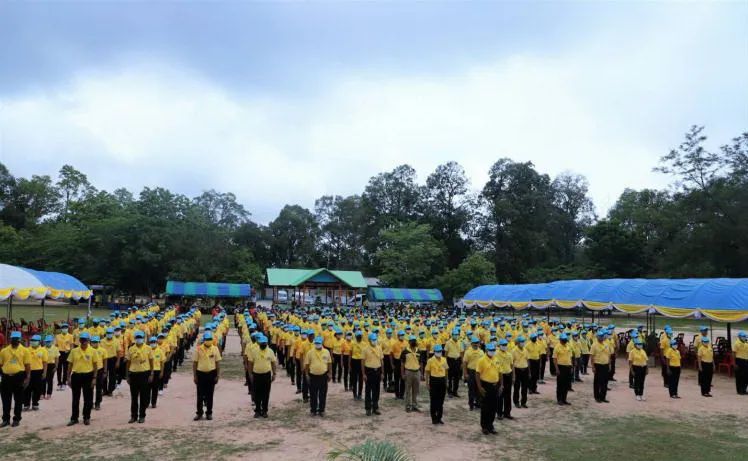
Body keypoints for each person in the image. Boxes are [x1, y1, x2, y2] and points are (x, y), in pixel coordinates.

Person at [67, 331, 99, 426]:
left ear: (88, 340)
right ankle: (74, 418)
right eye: (81, 340)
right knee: (75, 398)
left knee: (88, 399)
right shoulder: (74, 351)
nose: (83, 341)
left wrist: (94, 378)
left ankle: (86, 417)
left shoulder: (93, 351)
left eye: (85, 340)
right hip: (76, 376)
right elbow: (70, 364)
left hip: (88, 376)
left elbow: (95, 366)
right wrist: (68, 377)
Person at [0, 331, 31, 427]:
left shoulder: (25, 350)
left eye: (16, 339)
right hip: (6, 378)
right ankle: (5, 419)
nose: (14, 340)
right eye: (13, 339)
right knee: (5, 400)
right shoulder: (4, 351)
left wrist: (27, 377)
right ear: (10, 339)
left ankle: (17, 419)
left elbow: (27, 365)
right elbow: (0, 364)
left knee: (18, 399)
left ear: (19, 340)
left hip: (19, 376)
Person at [193, 331, 222, 421]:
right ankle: (199, 413)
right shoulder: (198, 349)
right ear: (204, 340)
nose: (208, 341)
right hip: (200, 374)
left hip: (211, 373)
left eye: (210, 339)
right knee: (200, 395)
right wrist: (195, 376)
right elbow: (195, 363)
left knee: (210, 395)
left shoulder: (215, 349)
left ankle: (209, 413)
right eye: (207, 339)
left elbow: (217, 363)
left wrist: (217, 375)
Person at [126, 330, 153, 423]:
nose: (139, 339)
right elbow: (128, 362)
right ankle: (133, 416)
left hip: (144, 374)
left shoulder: (148, 348)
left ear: (143, 338)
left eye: (140, 337)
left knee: (143, 396)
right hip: (133, 374)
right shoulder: (131, 349)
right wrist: (127, 375)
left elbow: (151, 361)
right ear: (135, 338)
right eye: (137, 337)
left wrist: (151, 374)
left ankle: (142, 416)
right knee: (134, 397)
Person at [475, 343, 501, 435]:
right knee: (485, 407)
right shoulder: (481, 360)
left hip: (495, 385)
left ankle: (491, 425)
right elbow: (477, 374)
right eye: (491, 350)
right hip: (486, 385)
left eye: (494, 350)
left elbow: (500, 372)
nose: (492, 352)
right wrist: (480, 387)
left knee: (493, 407)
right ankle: (484, 426)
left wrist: (500, 385)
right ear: (486, 351)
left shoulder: (497, 359)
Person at [248, 334, 276, 418]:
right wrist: (250, 374)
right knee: (257, 393)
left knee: (266, 394)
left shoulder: (270, 351)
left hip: (266, 375)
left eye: (265, 343)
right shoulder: (254, 351)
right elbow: (250, 363)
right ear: (259, 343)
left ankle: (264, 411)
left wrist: (274, 373)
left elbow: (273, 363)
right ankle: (257, 410)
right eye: (262, 343)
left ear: (267, 343)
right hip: (256, 375)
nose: (263, 344)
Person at [305, 336, 331, 416]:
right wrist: (307, 375)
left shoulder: (326, 352)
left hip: (323, 376)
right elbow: (307, 364)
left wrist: (330, 373)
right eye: (316, 343)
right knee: (313, 394)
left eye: (319, 343)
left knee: (322, 394)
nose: (317, 344)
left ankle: (321, 410)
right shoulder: (310, 352)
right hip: (313, 376)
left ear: (322, 343)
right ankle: (313, 410)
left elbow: (329, 363)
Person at [23, 334, 48, 411]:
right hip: (28, 371)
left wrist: (44, 372)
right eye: (32, 341)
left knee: (37, 389)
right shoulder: (26, 350)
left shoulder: (43, 350)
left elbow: (45, 362)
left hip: (38, 371)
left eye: (35, 341)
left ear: (39, 342)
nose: (33, 342)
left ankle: (35, 403)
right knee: (27, 388)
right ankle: (26, 404)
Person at [424, 344, 448, 424]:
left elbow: (446, 371)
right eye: (437, 351)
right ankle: (434, 418)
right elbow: (427, 372)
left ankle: (439, 417)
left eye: (440, 351)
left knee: (441, 401)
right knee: (433, 400)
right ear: (434, 352)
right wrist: (427, 383)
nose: (439, 352)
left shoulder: (444, 360)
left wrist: (446, 381)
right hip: (434, 381)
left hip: (442, 381)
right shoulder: (430, 360)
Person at [362, 332, 383, 416]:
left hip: (377, 370)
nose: (374, 341)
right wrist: (364, 374)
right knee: (368, 390)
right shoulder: (365, 349)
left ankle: (375, 407)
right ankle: (368, 408)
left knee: (376, 390)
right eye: (373, 340)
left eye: (375, 339)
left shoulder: (379, 348)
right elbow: (362, 362)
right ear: (369, 340)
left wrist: (382, 372)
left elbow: (382, 361)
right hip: (369, 371)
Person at [462, 336, 484, 411]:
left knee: (479, 388)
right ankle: (471, 404)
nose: (476, 344)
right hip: (471, 372)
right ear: (471, 344)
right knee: (471, 389)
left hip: (479, 372)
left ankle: (478, 403)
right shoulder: (468, 352)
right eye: (474, 343)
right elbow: (465, 363)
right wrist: (465, 374)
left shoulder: (481, 352)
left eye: (477, 343)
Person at [401, 335, 421, 412]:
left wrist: (421, 373)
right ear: (409, 342)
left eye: (414, 340)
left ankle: (414, 405)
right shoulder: (405, 351)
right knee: (408, 390)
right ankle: (408, 406)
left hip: (417, 372)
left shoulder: (419, 351)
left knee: (416, 390)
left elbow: (421, 362)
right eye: (412, 341)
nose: (413, 342)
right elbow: (402, 364)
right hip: (408, 372)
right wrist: (402, 374)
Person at [495, 339, 514, 419]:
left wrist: (513, 376)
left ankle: (507, 412)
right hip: (500, 376)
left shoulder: (509, 354)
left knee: (508, 395)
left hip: (508, 375)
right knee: (500, 395)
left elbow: (512, 365)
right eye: (503, 345)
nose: (504, 346)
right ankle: (499, 413)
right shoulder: (496, 354)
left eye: (506, 345)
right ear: (499, 346)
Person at [590, 330, 611, 403]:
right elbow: (592, 357)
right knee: (597, 382)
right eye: (600, 336)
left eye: (602, 336)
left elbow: (609, 355)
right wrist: (593, 367)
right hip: (598, 365)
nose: (601, 338)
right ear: (597, 337)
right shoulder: (594, 345)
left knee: (605, 382)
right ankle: (597, 397)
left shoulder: (606, 344)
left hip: (605, 365)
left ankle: (603, 397)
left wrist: (609, 364)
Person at [553, 333, 573, 406]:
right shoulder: (557, 347)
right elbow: (554, 359)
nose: (565, 341)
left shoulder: (568, 346)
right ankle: (559, 399)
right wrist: (557, 369)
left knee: (566, 384)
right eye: (563, 340)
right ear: (560, 340)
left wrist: (571, 366)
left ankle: (564, 399)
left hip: (568, 366)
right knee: (560, 384)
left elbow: (570, 357)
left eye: (565, 340)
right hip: (561, 367)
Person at [101, 327, 121, 396]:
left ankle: (110, 390)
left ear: (113, 334)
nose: (109, 334)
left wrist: (118, 361)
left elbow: (118, 352)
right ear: (106, 334)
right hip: (104, 360)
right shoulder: (102, 341)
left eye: (110, 333)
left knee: (112, 376)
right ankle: (104, 390)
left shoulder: (116, 341)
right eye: (108, 333)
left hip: (113, 359)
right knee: (104, 374)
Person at [444, 329, 463, 398]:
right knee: (450, 377)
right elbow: (445, 354)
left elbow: (461, 353)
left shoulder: (460, 342)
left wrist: (461, 363)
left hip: (457, 361)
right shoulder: (448, 343)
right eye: (455, 335)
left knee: (457, 377)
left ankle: (455, 391)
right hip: (450, 361)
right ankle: (449, 391)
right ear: (452, 335)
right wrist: (445, 363)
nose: (456, 336)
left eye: (457, 335)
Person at [512, 336, 529, 409]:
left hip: (525, 369)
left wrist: (529, 371)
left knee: (525, 387)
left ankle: (523, 402)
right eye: (521, 342)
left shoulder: (525, 350)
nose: (523, 343)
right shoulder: (513, 351)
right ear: (518, 343)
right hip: (517, 370)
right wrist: (513, 375)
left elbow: (527, 360)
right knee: (517, 387)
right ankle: (516, 402)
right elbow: (512, 363)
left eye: (523, 342)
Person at [55, 323, 73, 390]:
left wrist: (70, 353)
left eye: (66, 328)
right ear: (61, 329)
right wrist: (56, 353)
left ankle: (64, 383)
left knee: (65, 369)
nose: (64, 329)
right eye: (63, 328)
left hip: (67, 353)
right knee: (59, 368)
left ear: (67, 328)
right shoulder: (57, 336)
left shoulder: (70, 336)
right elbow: (56, 345)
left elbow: (71, 346)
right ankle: (59, 383)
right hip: (59, 353)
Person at [149, 336, 165, 408]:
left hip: (157, 371)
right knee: (147, 388)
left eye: (154, 342)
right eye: (151, 342)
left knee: (155, 388)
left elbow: (162, 362)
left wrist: (161, 372)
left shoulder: (160, 351)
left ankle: (153, 403)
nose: (153, 343)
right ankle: (146, 402)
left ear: (156, 342)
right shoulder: (147, 350)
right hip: (148, 371)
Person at [90, 336, 105, 411]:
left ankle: (97, 403)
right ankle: (90, 403)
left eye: (96, 342)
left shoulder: (102, 350)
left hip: (100, 370)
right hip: (90, 370)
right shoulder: (89, 350)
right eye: (93, 342)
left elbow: (105, 361)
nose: (94, 343)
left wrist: (105, 371)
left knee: (99, 387)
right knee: (90, 388)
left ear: (99, 342)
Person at [350, 331, 364, 400]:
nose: (359, 338)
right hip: (354, 362)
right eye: (358, 336)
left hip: (361, 362)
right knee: (354, 379)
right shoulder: (353, 344)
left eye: (360, 336)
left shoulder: (364, 344)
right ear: (355, 337)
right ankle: (354, 394)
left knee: (361, 379)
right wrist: (350, 365)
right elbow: (350, 354)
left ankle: (360, 394)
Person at [43, 335, 59, 400]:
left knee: (50, 380)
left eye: (49, 341)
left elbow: (57, 358)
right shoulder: (43, 348)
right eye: (47, 342)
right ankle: (42, 393)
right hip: (44, 365)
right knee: (43, 379)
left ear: (52, 342)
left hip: (51, 365)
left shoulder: (55, 348)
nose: (48, 343)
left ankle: (49, 393)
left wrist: (56, 367)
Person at [733, 331, 748, 395]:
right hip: (739, 361)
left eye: (745, 336)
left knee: (746, 376)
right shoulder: (736, 343)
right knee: (739, 376)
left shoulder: (746, 343)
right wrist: (734, 363)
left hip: (746, 361)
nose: (744, 337)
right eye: (743, 336)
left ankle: (744, 389)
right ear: (739, 336)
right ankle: (739, 390)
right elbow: (733, 354)